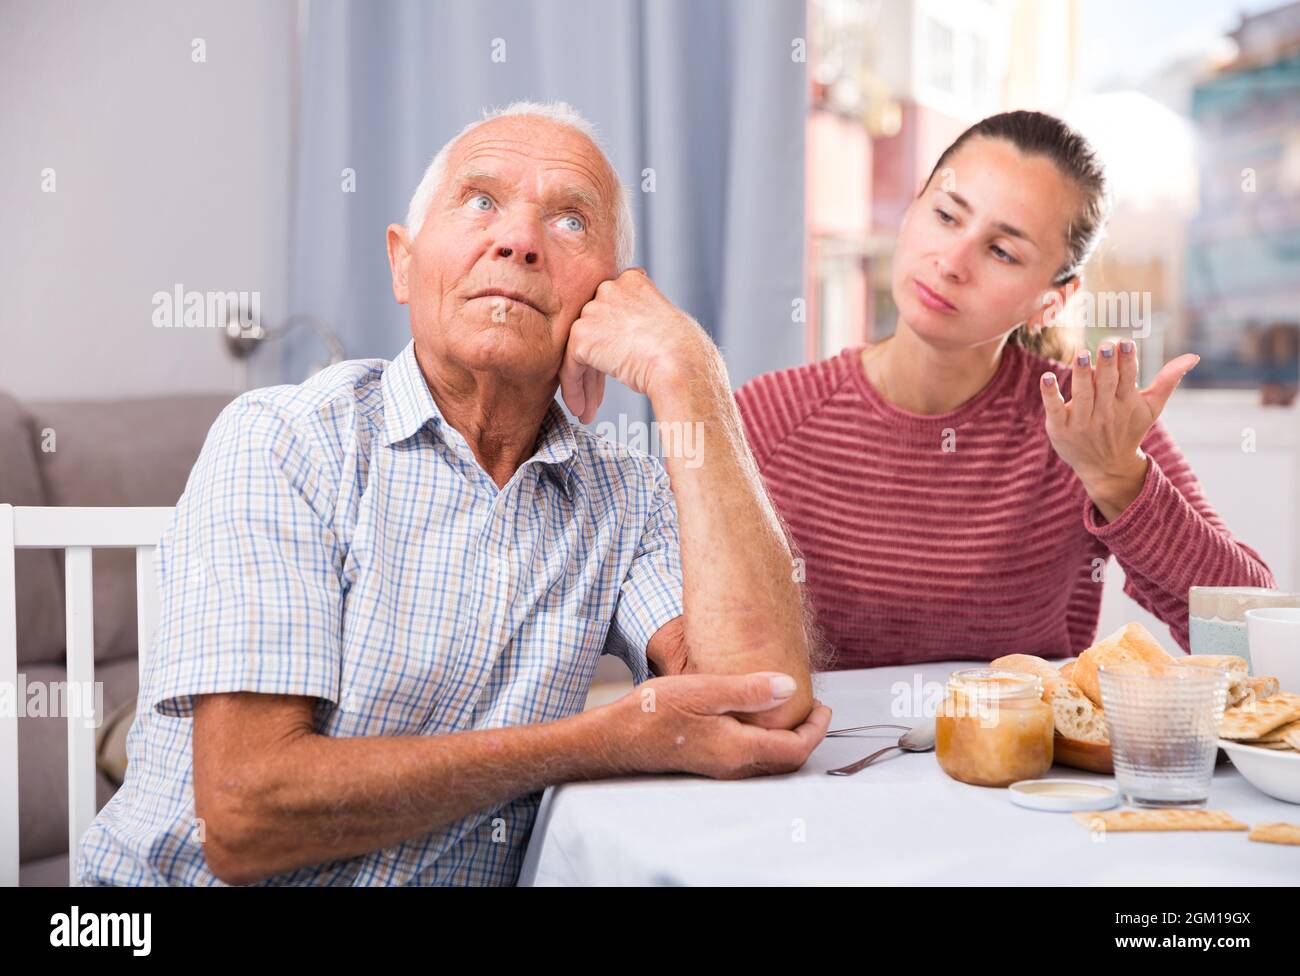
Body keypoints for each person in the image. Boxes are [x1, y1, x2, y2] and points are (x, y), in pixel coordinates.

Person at [79, 101, 829, 886]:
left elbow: (760, 710)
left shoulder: (626, 492)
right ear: (403, 263)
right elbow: (243, 817)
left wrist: (689, 372)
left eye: (570, 221)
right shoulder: (285, 439)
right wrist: (599, 739)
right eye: (479, 201)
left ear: (610, 303)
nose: (519, 240)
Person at [734, 110, 1275, 669]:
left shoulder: (1084, 424)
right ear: (911, 210)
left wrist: (1120, 481)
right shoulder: (767, 417)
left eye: (1002, 251)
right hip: (820, 757)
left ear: (1052, 301)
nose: (951, 263)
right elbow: (686, 645)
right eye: (946, 216)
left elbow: (1252, 643)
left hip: (1029, 756)